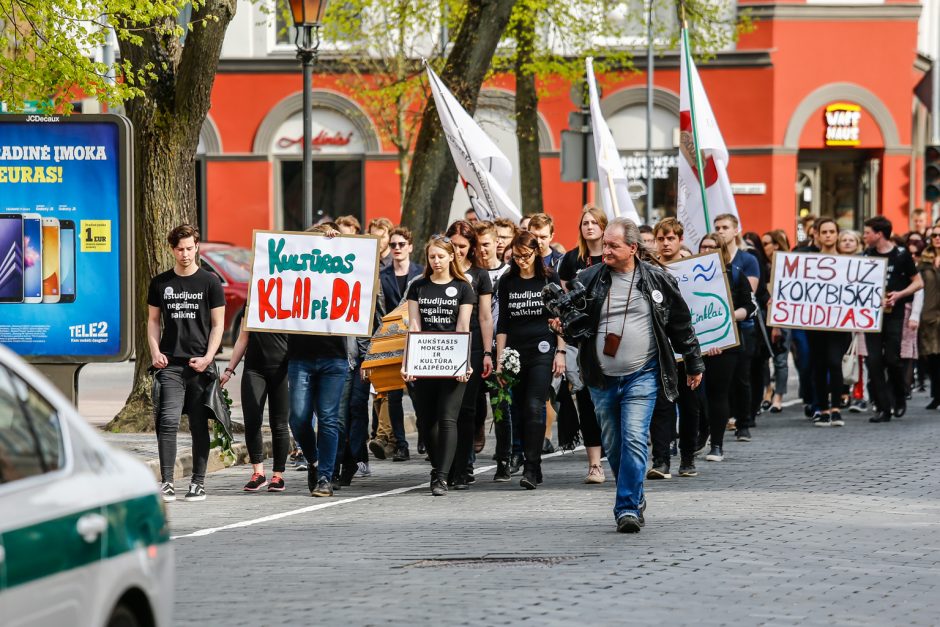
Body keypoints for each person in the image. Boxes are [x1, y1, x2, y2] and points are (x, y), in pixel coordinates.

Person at [553, 217, 704, 534]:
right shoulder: (589, 278)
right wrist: (561, 325)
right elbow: (575, 325)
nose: (604, 250)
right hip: (601, 377)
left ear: (633, 248)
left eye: (612, 245)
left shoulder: (657, 279)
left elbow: (680, 323)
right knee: (615, 446)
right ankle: (634, 495)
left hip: (643, 375)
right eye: (604, 244)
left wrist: (693, 362)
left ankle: (626, 509)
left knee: (634, 439)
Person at [147, 224, 225, 502]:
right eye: (180, 249)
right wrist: (155, 352)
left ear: (197, 247)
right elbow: (153, 321)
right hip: (170, 363)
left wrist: (208, 358)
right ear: (172, 250)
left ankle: (198, 482)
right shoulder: (160, 283)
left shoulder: (210, 281)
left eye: (190, 248)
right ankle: (167, 481)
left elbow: (218, 325)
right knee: (167, 421)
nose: (185, 254)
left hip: (199, 365)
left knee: (197, 423)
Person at [403, 236, 476, 496]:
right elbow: (413, 325)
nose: (436, 261)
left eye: (441, 256)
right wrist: (408, 362)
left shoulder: (463, 287)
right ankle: (437, 467)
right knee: (426, 421)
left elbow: (463, 326)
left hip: (452, 360)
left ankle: (442, 477)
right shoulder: (418, 286)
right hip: (424, 361)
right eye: (432, 257)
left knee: (447, 419)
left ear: (451, 257)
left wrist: (464, 363)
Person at [495, 231, 567, 489]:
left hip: (542, 348)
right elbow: (502, 322)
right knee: (520, 409)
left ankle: (532, 468)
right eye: (516, 256)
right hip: (515, 351)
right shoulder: (507, 282)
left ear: (536, 253)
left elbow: (560, 317)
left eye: (526, 256)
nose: (521, 261)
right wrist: (500, 360)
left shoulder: (549, 279)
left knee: (535, 406)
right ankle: (528, 458)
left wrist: (560, 351)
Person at [287, 224, 351, 498]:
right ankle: (314, 461)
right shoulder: (294, 273)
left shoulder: (340, 273)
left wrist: (339, 244)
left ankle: (325, 476)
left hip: (333, 358)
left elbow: (357, 264)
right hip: (300, 357)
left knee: (327, 418)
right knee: (299, 419)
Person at [648, 217, 704, 479]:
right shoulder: (648, 270)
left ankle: (688, 456)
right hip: (660, 351)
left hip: (687, 349)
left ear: (680, 240)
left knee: (690, 406)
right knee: (661, 405)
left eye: (671, 238)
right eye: (661, 238)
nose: (666, 243)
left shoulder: (694, 268)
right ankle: (661, 459)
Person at [698, 233, 755, 463]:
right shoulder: (688, 276)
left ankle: (717, 444)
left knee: (718, 394)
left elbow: (749, 306)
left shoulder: (734, 274)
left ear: (721, 250)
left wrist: (729, 316)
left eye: (711, 247)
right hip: (696, 346)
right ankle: (701, 435)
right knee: (697, 397)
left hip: (725, 344)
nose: (706, 250)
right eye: (703, 246)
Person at [445, 220, 494, 488]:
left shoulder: (480, 275)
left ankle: (463, 467)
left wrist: (487, 352)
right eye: (453, 245)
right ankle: (446, 465)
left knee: (466, 408)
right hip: (441, 347)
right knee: (444, 409)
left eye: (463, 246)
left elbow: (485, 316)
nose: (457, 251)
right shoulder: (439, 269)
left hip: (472, 345)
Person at [863, 216, 923, 423]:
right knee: (873, 362)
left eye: (867, 232)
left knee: (892, 359)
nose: (864, 236)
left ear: (879, 234)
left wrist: (898, 294)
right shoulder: (866, 255)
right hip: (871, 316)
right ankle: (883, 408)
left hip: (894, 315)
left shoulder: (901, 255)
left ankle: (899, 395)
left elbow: (918, 283)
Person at [375, 226, 424, 462]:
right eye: (393, 245)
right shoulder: (383, 275)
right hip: (391, 339)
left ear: (410, 247)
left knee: (418, 393)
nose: (396, 249)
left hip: (415, 339)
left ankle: (424, 435)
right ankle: (401, 444)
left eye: (401, 245)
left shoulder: (420, 273)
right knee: (393, 395)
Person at [221, 329, 290, 492]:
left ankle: (278, 475)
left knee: (279, 423)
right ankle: (258, 473)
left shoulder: (290, 303)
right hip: (254, 370)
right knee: (252, 420)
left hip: (283, 369)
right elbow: (242, 338)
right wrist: (229, 370)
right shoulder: (252, 305)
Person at [713, 213, 759, 441]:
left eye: (725, 227)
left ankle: (744, 422)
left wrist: (727, 314)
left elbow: (748, 296)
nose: (721, 231)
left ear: (735, 230)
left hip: (743, 327)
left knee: (741, 377)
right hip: (713, 330)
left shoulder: (746, 261)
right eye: (717, 227)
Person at [802, 219, 852, 427]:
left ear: (837, 234)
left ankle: (836, 408)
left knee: (834, 362)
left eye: (832, 231)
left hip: (840, 325)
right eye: (825, 232)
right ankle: (822, 408)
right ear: (818, 235)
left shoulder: (850, 263)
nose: (828, 235)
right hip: (816, 324)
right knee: (819, 365)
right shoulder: (808, 261)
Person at [839, 230, 870, 413]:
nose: (848, 243)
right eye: (844, 240)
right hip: (838, 318)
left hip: (859, 317)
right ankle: (842, 393)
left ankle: (860, 396)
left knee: (859, 357)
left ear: (858, 243)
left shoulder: (867, 263)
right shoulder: (831, 263)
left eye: (852, 240)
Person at [761, 229, 791, 413]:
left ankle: (778, 397)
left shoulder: (787, 266)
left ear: (776, 245)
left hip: (783, 316)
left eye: (766, 243)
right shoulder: (762, 266)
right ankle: (768, 391)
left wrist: (777, 324)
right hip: (764, 316)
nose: (763, 247)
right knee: (763, 359)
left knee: (781, 360)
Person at [918, 226, 940, 409]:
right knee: (932, 356)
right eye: (934, 235)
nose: (938, 238)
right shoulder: (923, 263)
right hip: (929, 315)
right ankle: (936, 394)